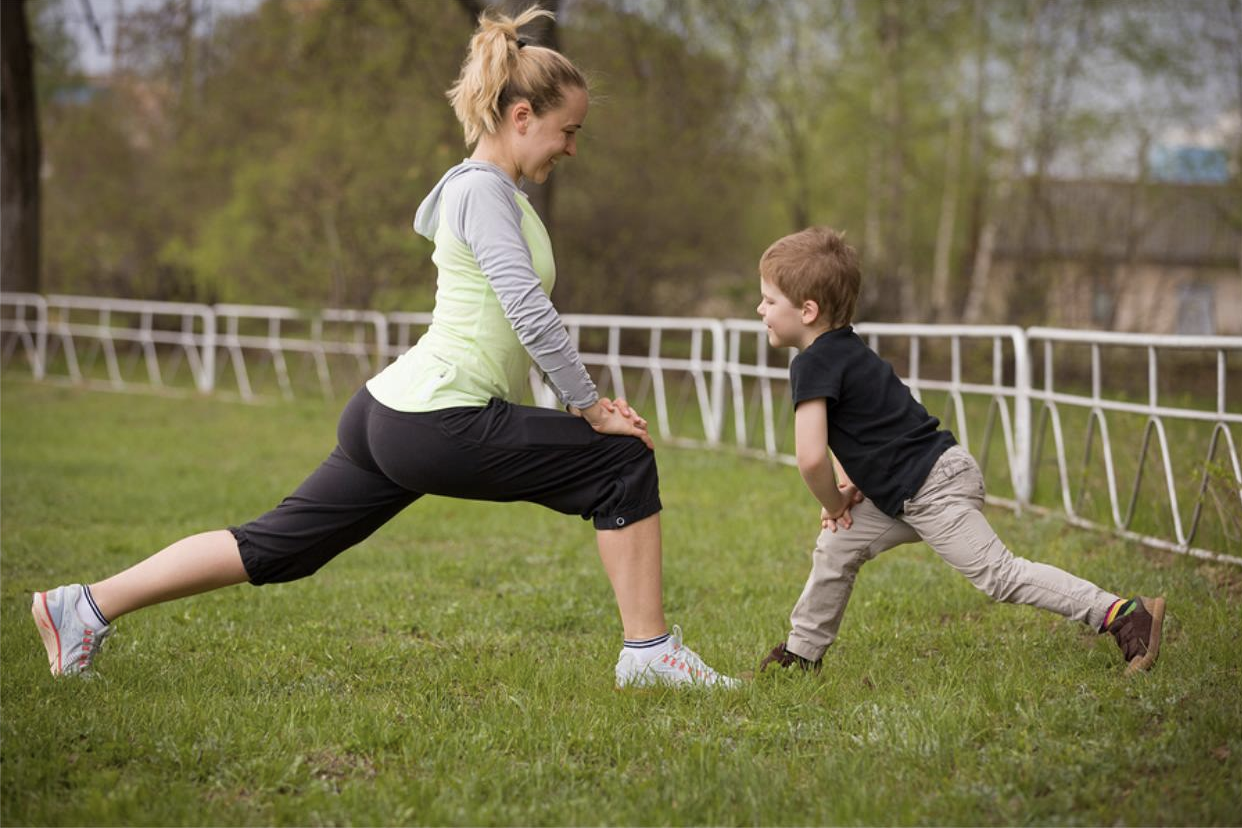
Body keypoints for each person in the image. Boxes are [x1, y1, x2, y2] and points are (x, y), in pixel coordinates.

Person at [31, 6, 737, 690]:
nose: (572, 148)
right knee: (620, 460)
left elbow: (510, 314)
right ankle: (648, 654)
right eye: (568, 131)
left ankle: (83, 606)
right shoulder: (484, 193)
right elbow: (528, 310)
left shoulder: (490, 192)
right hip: (437, 419)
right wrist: (588, 408)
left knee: (276, 547)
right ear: (522, 118)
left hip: (392, 413)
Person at [752, 227, 1164, 677]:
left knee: (998, 574)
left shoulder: (812, 363)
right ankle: (803, 653)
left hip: (932, 487)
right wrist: (850, 485)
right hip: (910, 485)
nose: (761, 309)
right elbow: (854, 430)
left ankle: (1122, 613)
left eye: (770, 301)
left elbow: (810, 456)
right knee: (837, 547)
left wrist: (833, 503)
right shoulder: (845, 348)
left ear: (807, 310)